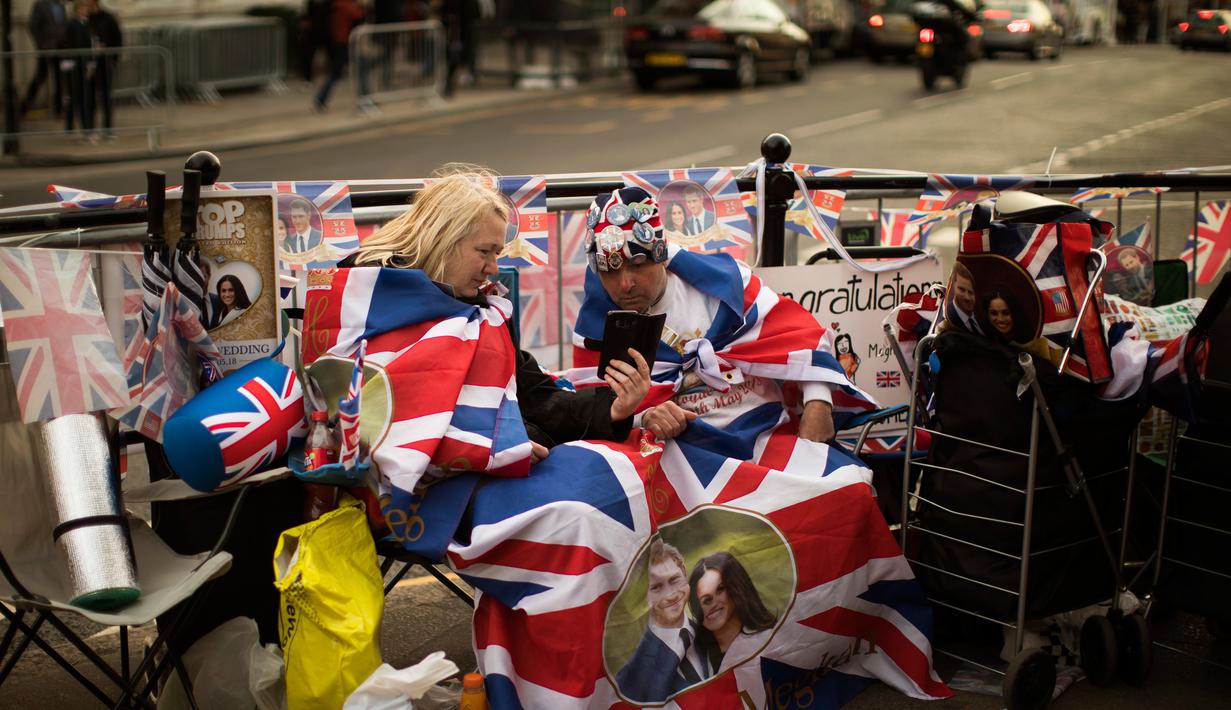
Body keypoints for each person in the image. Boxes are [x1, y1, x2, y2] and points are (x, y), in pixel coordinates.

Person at [319, 166, 653, 459]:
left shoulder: (482, 310)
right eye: (485, 251)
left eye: (497, 253)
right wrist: (492, 445)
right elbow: (366, 411)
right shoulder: (363, 292)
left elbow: (535, 396)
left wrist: (614, 408)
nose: (493, 268)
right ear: (444, 239)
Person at [574, 187, 869, 446]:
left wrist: (819, 401)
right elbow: (593, 412)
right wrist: (643, 416)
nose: (625, 283)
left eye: (638, 264)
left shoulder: (725, 285)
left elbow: (800, 339)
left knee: (852, 490)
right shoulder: (594, 330)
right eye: (610, 271)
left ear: (661, 256)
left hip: (765, 432)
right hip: (677, 455)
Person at [615, 539, 708, 703]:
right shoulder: (631, 676)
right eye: (657, 587)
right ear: (643, 594)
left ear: (684, 570)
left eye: (674, 580)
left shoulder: (713, 632)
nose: (671, 595)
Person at [687, 551, 776, 674]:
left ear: (737, 587)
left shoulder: (772, 641)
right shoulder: (692, 660)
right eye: (704, 599)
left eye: (720, 589)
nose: (712, 602)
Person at [313, 0, 365, 111]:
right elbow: (358, 16)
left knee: (342, 72)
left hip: (339, 42)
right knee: (354, 71)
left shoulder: (335, 5)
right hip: (345, 43)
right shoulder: (346, 6)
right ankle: (321, 99)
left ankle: (321, 99)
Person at [20, 0, 68, 118]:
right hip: (46, 48)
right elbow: (33, 26)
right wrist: (42, 45)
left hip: (60, 48)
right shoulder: (40, 5)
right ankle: (23, 108)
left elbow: (63, 26)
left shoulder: (61, 6)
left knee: (59, 79)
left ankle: (58, 110)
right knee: (40, 77)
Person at [87, 0, 122, 139]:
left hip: (105, 63)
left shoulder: (108, 18)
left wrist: (113, 58)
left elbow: (117, 38)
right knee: (89, 97)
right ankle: (89, 129)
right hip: (89, 63)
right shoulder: (86, 18)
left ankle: (107, 128)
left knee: (106, 97)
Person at [61, 0, 94, 135]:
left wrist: (90, 64)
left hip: (83, 63)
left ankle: (86, 126)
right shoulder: (72, 25)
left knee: (84, 97)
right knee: (74, 96)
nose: (85, 10)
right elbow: (68, 44)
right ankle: (71, 126)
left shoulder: (87, 24)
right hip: (75, 64)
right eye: (82, 8)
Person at [946, 261, 983, 335]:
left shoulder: (984, 318)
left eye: (971, 292)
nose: (967, 297)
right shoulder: (945, 320)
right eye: (961, 290)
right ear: (952, 285)